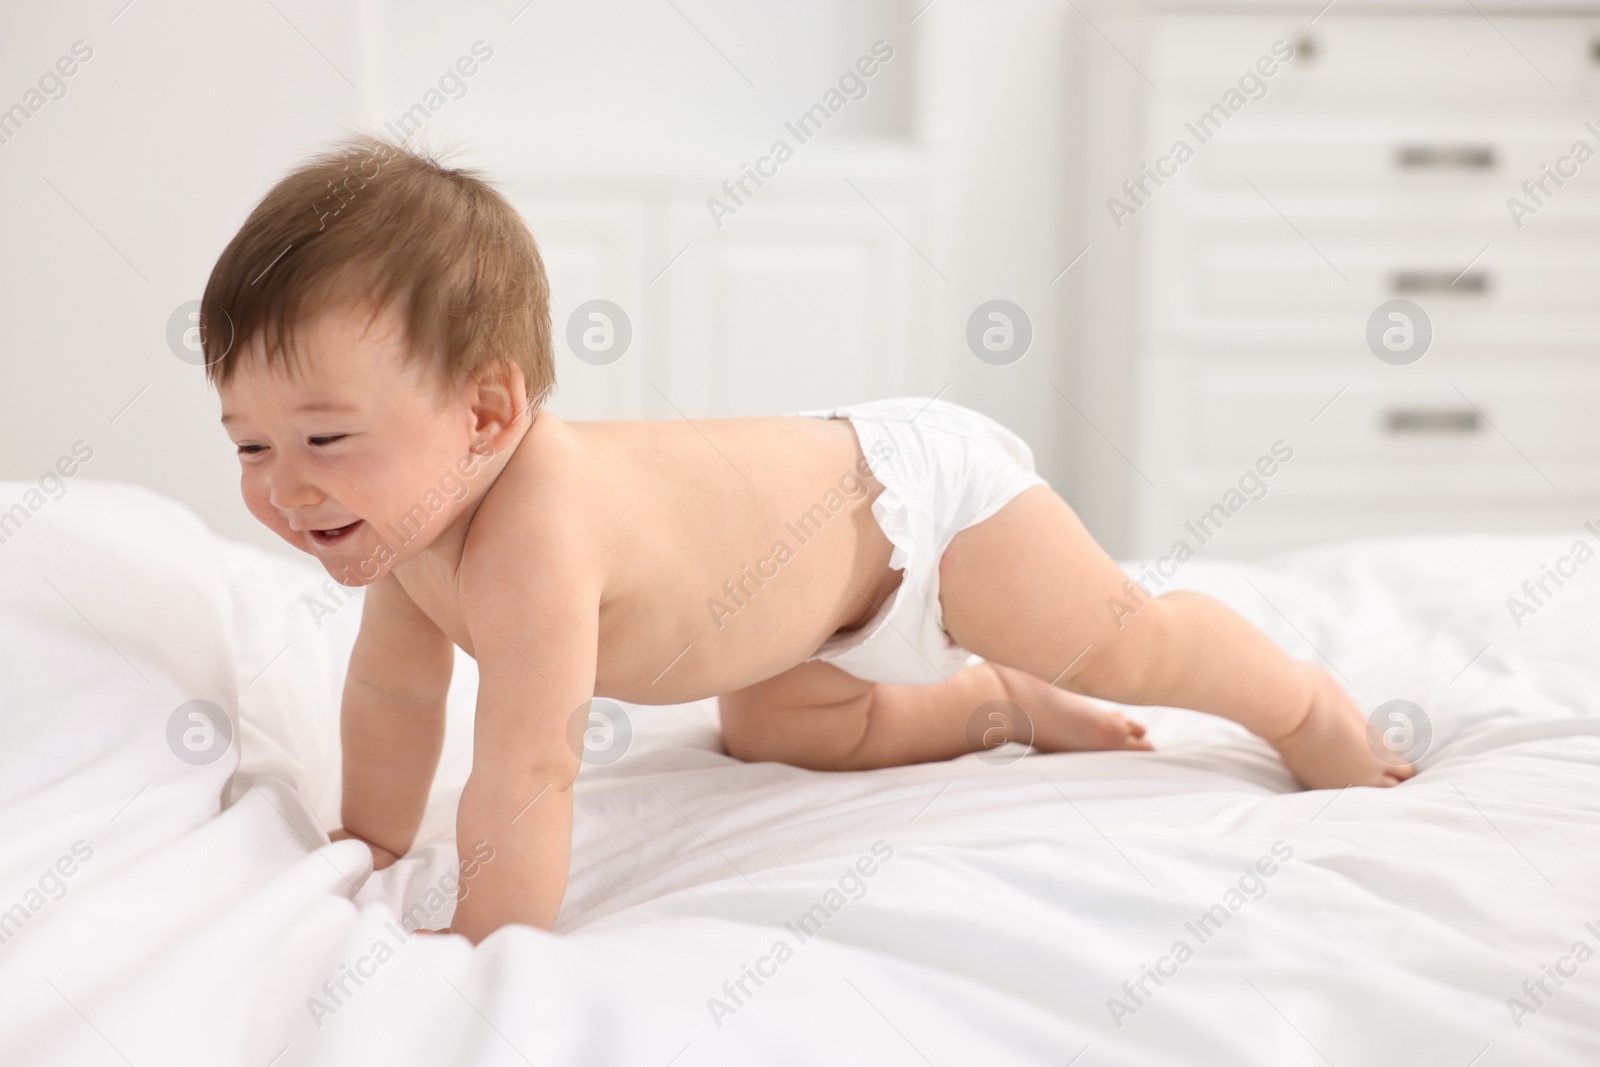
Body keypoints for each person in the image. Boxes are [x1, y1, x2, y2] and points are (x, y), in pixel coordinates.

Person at [203, 135, 1413, 945]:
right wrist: (370, 840)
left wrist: (483, 949)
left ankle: (1300, 705)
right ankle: (1003, 706)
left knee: (1119, 643)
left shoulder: (532, 534)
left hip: (918, 516)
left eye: (324, 438)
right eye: (251, 446)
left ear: (485, 412)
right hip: (800, 613)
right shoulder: (412, 531)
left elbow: (529, 771)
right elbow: (394, 694)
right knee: (785, 726)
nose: (287, 489)